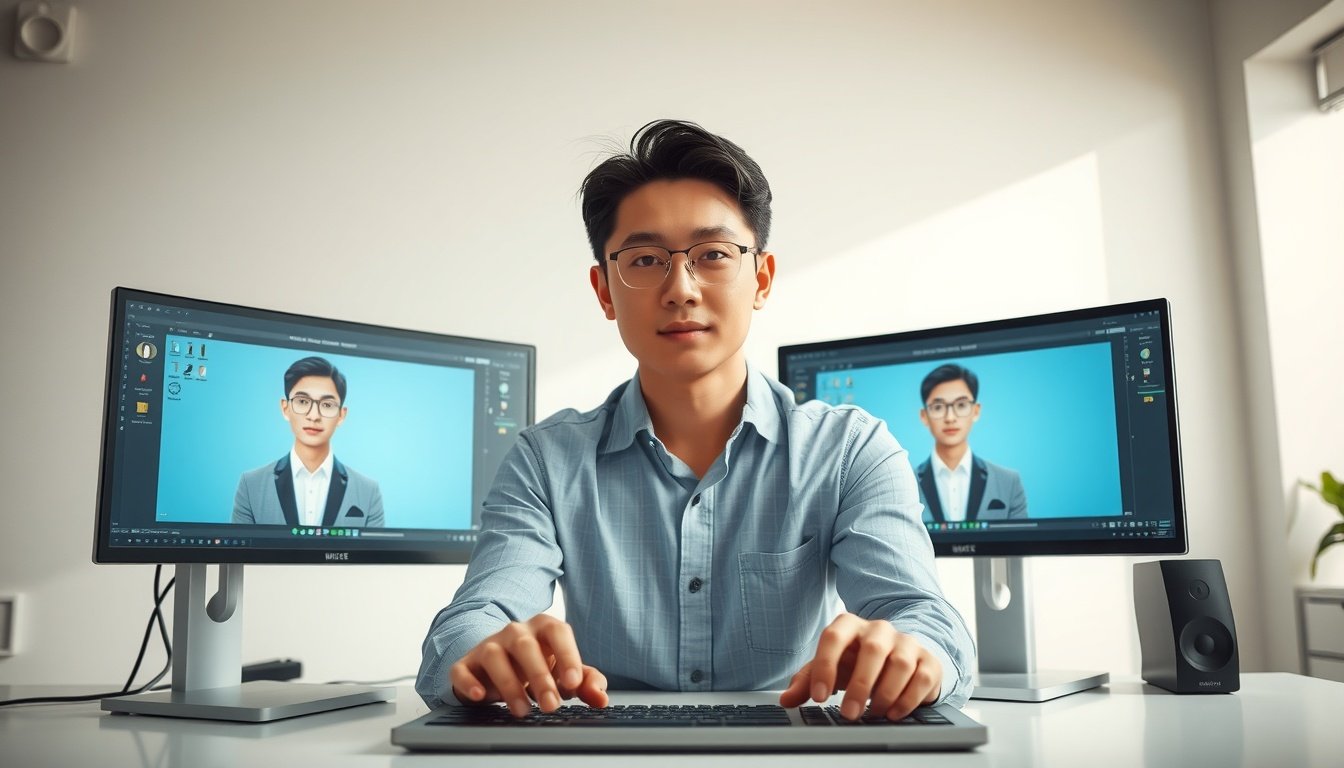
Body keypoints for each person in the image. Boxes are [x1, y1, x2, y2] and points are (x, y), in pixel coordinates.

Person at [416, 120, 973, 722]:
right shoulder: (546, 460)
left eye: (712, 255)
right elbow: (473, 619)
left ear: (760, 279)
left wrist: (915, 654)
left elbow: (925, 617)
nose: (680, 288)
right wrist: (484, 651)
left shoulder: (850, 450)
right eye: (646, 259)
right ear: (605, 291)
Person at [232, 356, 384, 528]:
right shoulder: (251, 485)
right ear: (285, 408)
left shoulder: (368, 491)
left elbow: (371, 555)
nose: (314, 416)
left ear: (341, 415)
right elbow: (241, 554)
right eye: (303, 402)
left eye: (327, 405)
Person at [914, 364, 1027, 523]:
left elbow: (1020, 543)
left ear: (976, 410)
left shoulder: (1008, 481)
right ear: (924, 416)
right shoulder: (906, 484)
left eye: (961, 405)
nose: (950, 417)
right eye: (938, 407)